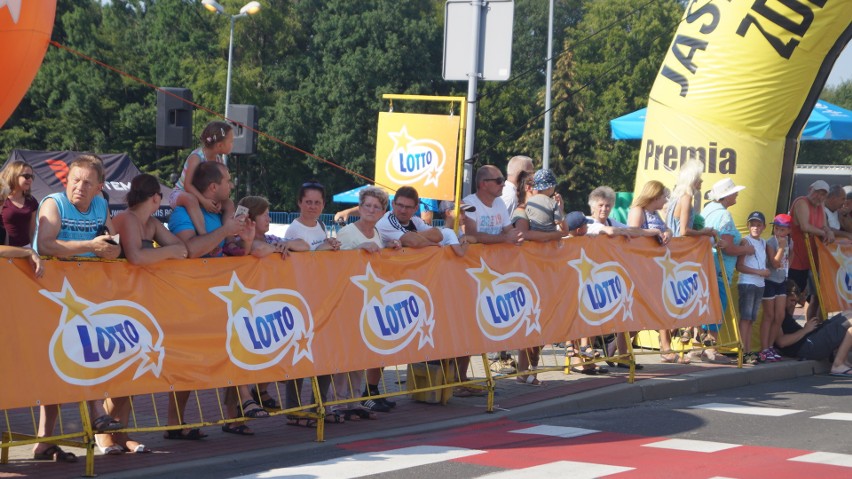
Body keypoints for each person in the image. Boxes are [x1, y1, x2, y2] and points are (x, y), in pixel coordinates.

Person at [33, 155, 123, 462]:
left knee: (83, 357)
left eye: (87, 182)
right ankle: (91, 416)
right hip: (47, 296)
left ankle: (47, 441)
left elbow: (113, 244)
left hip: (84, 299)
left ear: (99, 187)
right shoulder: (53, 204)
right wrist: (90, 247)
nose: (79, 187)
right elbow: (45, 244)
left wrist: (111, 249)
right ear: (66, 181)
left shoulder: (100, 207)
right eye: (75, 180)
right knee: (63, 364)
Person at [167, 161, 263, 437]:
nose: (231, 185)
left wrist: (245, 240)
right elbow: (190, 250)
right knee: (187, 362)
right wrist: (225, 230)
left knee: (235, 350)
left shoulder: (222, 214)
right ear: (212, 187)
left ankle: (236, 413)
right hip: (190, 299)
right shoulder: (182, 214)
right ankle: (175, 423)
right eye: (228, 181)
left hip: (219, 298)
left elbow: (230, 252)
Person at [283, 181, 344, 423]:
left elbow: (319, 255)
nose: (312, 206)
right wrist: (325, 249)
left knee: (323, 353)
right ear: (299, 202)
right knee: (298, 353)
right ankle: (294, 409)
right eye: (308, 201)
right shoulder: (293, 230)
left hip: (320, 297)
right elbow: (301, 261)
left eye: (317, 202)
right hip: (300, 298)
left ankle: (318, 404)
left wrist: (332, 247)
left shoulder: (319, 225)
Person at [334, 186, 396, 418]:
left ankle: (355, 400)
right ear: (359, 208)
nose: (371, 210)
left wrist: (390, 247)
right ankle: (339, 402)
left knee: (362, 352)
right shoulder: (348, 232)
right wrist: (358, 249)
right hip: (348, 298)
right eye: (367, 205)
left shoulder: (378, 234)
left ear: (382, 212)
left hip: (369, 302)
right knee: (345, 353)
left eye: (376, 207)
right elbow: (336, 261)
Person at [629, 180, 684, 364]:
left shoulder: (655, 213)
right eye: (664, 197)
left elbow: (663, 228)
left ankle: (615, 348)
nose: (666, 200)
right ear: (655, 196)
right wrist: (651, 232)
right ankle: (665, 348)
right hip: (642, 267)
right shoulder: (639, 210)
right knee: (652, 309)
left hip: (657, 268)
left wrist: (667, 231)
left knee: (655, 309)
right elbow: (632, 232)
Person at [700, 178, 752, 364]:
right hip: (720, 269)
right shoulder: (724, 216)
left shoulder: (706, 210)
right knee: (718, 307)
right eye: (734, 192)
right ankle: (711, 348)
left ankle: (701, 347)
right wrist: (747, 249)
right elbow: (728, 248)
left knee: (705, 306)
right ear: (727, 195)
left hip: (705, 266)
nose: (737, 194)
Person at [169, 121, 235, 235]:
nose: (232, 145)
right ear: (219, 145)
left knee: (228, 203)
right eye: (231, 141)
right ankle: (204, 234)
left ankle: (229, 239)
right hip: (182, 194)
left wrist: (219, 200)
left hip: (202, 197)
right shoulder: (196, 157)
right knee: (190, 199)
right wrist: (204, 201)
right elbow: (187, 185)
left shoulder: (219, 160)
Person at [776, 281, 852, 376]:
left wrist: (808, 329)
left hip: (811, 337)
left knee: (848, 312)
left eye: (795, 301)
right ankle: (838, 364)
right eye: (791, 300)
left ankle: (843, 359)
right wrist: (805, 330)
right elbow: (781, 342)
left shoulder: (784, 312)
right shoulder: (777, 316)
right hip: (808, 346)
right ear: (782, 298)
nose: (793, 304)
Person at [789, 180, 834, 322]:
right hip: (796, 260)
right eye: (817, 192)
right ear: (810, 189)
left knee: (810, 297)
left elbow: (824, 226)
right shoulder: (801, 202)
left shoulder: (820, 205)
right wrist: (824, 232)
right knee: (791, 298)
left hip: (812, 260)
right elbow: (804, 226)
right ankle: (785, 329)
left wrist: (828, 232)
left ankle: (808, 330)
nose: (819, 197)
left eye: (823, 195)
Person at [735, 211, 770, 365]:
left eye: (758, 224)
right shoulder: (745, 241)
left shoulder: (763, 242)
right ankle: (743, 352)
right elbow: (740, 266)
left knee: (750, 319)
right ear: (748, 226)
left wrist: (764, 271)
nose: (755, 227)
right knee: (746, 318)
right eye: (752, 224)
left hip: (759, 283)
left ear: (763, 227)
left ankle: (748, 351)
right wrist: (759, 272)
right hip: (748, 282)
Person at [759, 213, 792, 363]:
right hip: (769, 281)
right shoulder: (770, 243)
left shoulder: (790, 242)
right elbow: (775, 263)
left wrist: (786, 272)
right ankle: (764, 349)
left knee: (780, 315)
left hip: (781, 281)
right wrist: (781, 248)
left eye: (782, 230)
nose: (778, 232)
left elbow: (789, 259)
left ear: (789, 230)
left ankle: (770, 346)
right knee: (769, 316)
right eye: (777, 229)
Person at [664, 159, 717, 239]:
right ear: (692, 180)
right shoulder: (686, 197)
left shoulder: (678, 196)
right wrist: (703, 232)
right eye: (699, 177)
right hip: (680, 246)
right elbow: (684, 231)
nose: (701, 180)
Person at [0, 160, 38, 247]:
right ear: (13, 175)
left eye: (32, 177)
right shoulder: (2, 198)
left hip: (25, 249)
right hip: (5, 249)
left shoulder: (31, 201)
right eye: (26, 176)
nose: (30, 180)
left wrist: (33, 250)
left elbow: (32, 231)